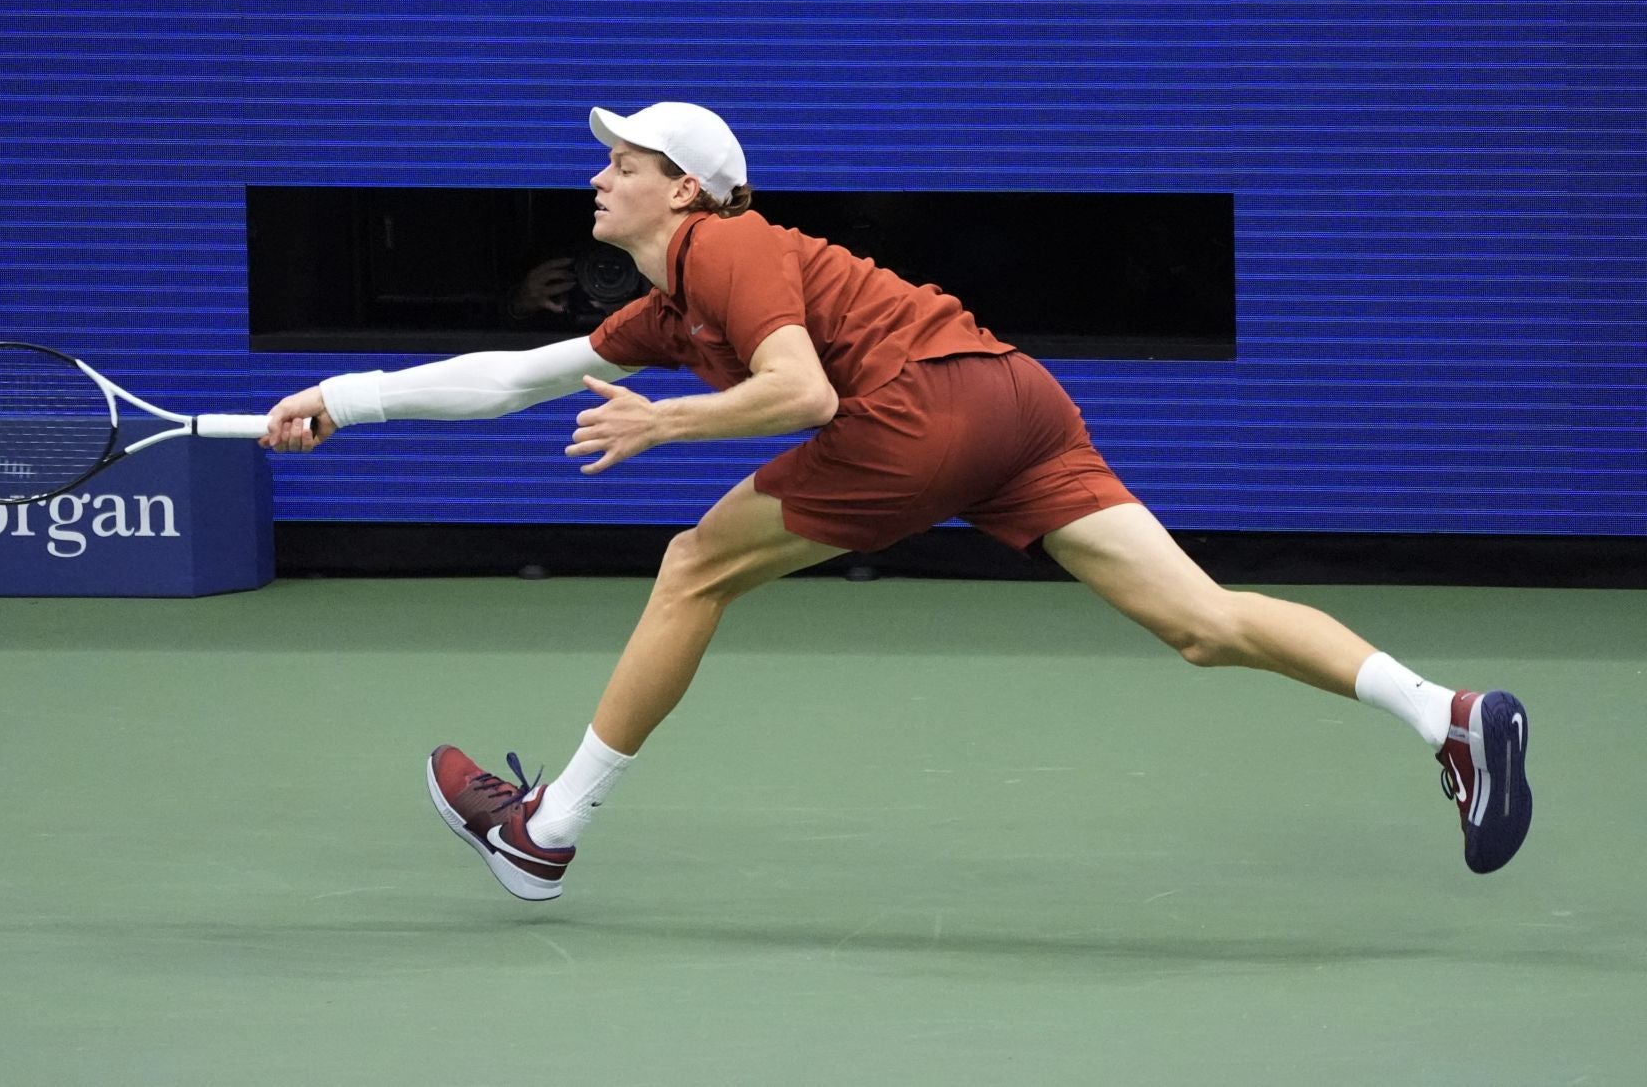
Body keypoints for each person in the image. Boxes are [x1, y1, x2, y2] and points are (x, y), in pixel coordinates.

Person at [262, 102, 1533, 900]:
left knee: (694, 562)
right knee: (1201, 621)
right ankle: (1449, 715)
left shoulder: (729, 246)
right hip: (1012, 398)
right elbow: (514, 377)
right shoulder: (667, 303)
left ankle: (547, 831)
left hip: (920, 406)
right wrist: (343, 396)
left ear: (685, 187)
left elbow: (805, 391)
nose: (599, 174)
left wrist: (669, 420)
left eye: (624, 160)